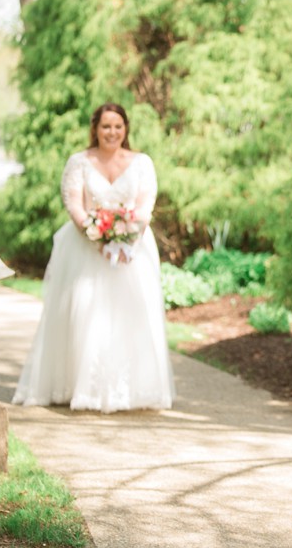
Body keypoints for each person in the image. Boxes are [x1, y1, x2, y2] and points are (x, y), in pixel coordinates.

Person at [13, 102, 175, 412]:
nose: (112, 132)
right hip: (85, 250)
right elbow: (74, 204)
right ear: (95, 129)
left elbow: (144, 206)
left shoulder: (141, 163)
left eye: (117, 126)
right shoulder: (79, 162)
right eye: (105, 126)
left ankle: (126, 390)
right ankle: (81, 387)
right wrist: (98, 236)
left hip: (133, 252)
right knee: (86, 314)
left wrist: (127, 239)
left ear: (125, 128)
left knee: (130, 317)